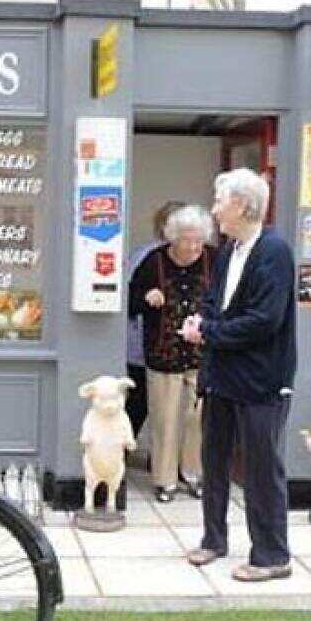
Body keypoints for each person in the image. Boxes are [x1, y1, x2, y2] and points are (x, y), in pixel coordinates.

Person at [181, 168, 296, 582]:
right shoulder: (229, 249)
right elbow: (216, 301)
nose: (213, 209)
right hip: (221, 376)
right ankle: (214, 539)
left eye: (219, 201)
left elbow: (265, 320)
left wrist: (208, 332)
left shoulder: (275, 251)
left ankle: (272, 555)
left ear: (243, 207)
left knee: (262, 469)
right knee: (214, 460)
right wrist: (202, 320)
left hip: (261, 381)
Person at [128, 205, 215, 503]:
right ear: (172, 238)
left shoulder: (214, 259)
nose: (192, 247)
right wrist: (146, 297)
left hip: (203, 353)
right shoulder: (154, 262)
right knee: (165, 419)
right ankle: (164, 480)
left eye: (198, 241)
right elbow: (128, 302)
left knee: (197, 418)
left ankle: (192, 474)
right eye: (186, 240)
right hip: (162, 353)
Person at [124, 201, 181, 460]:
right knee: (142, 402)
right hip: (145, 342)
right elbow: (130, 298)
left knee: (154, 405)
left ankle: (153, 457)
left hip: (168, 345)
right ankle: (127, 452)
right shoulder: (148, 256)